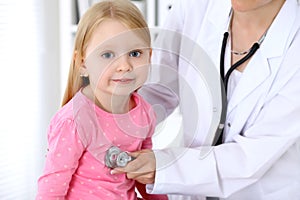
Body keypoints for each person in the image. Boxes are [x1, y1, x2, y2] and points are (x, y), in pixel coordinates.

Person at [112, 0, 300, 199]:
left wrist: (162, 167)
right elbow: (157, 89)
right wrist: (112, 124)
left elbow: (250, 158)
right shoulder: (195, 7)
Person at [36, 0, 168, 199]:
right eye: (107, 54)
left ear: (149, 57)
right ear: (82, 63)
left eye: (135, 53)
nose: (124, 66)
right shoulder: (74, 121)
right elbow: (51, 190)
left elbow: (143, 173)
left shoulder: (144, 112)